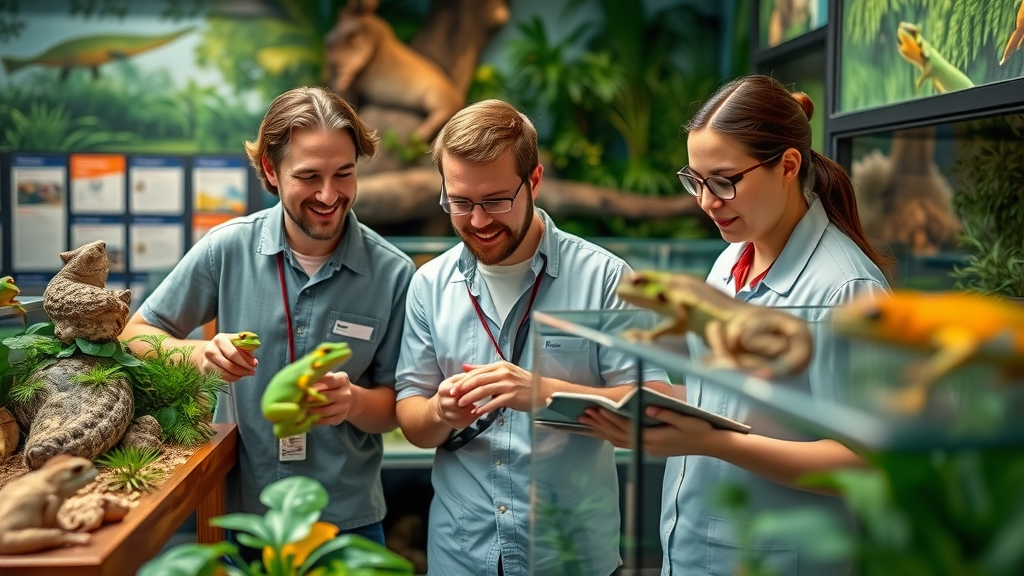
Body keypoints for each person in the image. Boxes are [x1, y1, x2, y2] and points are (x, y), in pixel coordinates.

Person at [581, 74, 892, 575]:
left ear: (788, 165)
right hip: (692, 550)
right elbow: (727, 401)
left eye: (725, 181)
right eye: (696, 181)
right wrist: (647, 414)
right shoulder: (729, 262)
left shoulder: (847, 288)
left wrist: (708, 442)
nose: (706, 201)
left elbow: (864, 462)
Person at [120, 86, 415, 552]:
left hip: (347, 523)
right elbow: (135, 335)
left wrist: (352, 402)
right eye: (308, 176)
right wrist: (198, 354)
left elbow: (396, 405)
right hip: (241, 518)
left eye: (344, 173)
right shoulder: (227, 248)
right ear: (270, 171)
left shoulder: (394, 272)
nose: (328, 194)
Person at [394, 99, 667, 576]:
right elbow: (412, 418)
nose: (478, 221)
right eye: (460, 202)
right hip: (461, 553)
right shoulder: (429, 284)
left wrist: (545, 392)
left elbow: (654, 405)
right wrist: (440, 411)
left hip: (569, 554)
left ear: (535, 181)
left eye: (497, 201)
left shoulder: (605, 279)